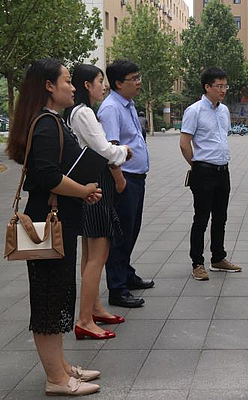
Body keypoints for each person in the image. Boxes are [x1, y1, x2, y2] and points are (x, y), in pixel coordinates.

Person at [6, 59, 102, 396]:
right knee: (49, 301)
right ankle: (56, 379)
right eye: (67, 81)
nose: (73, 87)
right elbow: (48, 176)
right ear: (49, 86)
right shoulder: (46, 124)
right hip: (48, 224)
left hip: (58, 220)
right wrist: (83, 190)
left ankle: (61, 367)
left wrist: (81, 191)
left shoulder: (51, 120)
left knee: (58, 296)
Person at [65, 64, 132, 339]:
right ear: (87, 85)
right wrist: (124, 151)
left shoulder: (75, 112)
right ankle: (84, 319)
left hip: (87, 183)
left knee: (90, 254)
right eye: (99, 81)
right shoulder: (84, 113)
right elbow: (104, 150)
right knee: (98, 255)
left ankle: (93, 308)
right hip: (96, 184)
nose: (103, 86)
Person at [98, 60, 154, 308]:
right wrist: (120, 181)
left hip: (136, 178)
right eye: (134, 78)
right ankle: (117, 288)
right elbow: (111, 149)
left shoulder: (127, 104)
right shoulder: (111, 108)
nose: (139, 82)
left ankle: (126, 274)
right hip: (124, 180)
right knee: (120, 235)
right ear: (119, 83)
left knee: (131, 230)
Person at [180, 67, 242, 280]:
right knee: (201, 218)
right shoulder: (194, 111)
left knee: (220, 217)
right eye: (219, 86)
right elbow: (184, 143)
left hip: (223, 171)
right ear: (207, 87)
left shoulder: (224, 111)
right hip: (203, 171)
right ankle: (197, 263)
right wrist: (196, 165)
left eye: (225, 86)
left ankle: (218, 258)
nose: (223, 90)